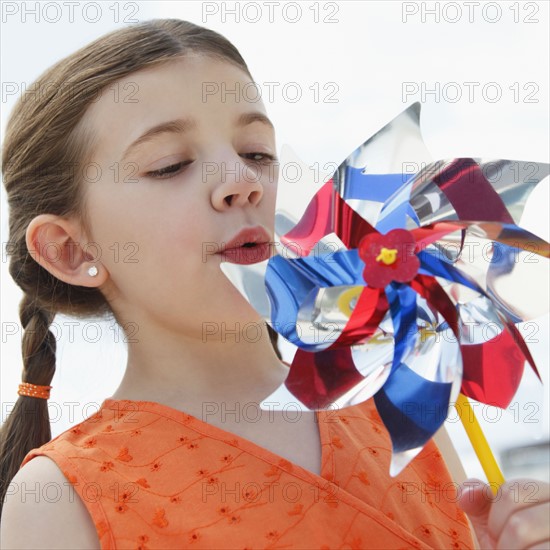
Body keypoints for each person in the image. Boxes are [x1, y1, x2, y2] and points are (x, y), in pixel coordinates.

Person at [0, 18, 548, 550]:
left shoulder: (395, 408)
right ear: (70, 251)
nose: (243, 182)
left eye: (256, 153)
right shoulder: (61, 496)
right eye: (170, 165)